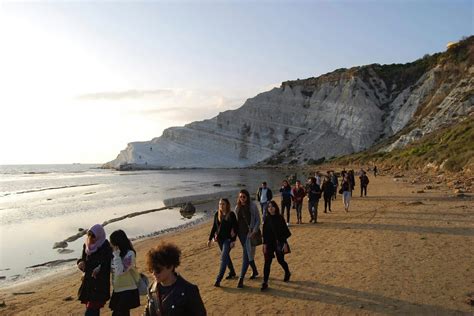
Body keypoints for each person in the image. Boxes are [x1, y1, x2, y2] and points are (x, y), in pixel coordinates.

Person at [143, 242, 206, 316]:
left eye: (158, 270)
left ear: (170, 267)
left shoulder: (188, 290)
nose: (154, 273)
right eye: (151, 270)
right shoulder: (152, 289)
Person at [77, 224, 112, 316]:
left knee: (91, 311)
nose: (91, 238)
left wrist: (99, 268)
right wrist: (80, 263)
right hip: (88, 283)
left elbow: (108, 263)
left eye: (93, 236)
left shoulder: (105, 247)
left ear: (99, 235)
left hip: (99, 285)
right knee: (93, 311)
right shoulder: (86, 246)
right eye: (89, 235)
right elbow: (82, 258)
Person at [261, 200, 291, 291]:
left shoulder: (280, 218)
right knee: (267, 262)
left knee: (281, 260)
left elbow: (285, 232)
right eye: (269, 207)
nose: (270, 208)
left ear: (276, 207)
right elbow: (264, 233)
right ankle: (265, 282)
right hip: (269, 244)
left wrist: (285, 244)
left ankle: (287, 272)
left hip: (279, 243)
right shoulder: (266, 218)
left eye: (272, 206)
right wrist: (264, 244)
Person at [207, 198, 238, 287]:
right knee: (226, 256)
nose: (221, 205)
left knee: (223, 258)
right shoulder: (217, 214)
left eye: (223, 204)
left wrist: (233, 240)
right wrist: (210, 239)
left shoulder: (231, 214)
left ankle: (218, 279)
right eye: (220, 204)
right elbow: (214, 227)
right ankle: (232, 272)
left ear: (227, 205)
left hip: (228, 240)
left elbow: (236, 228)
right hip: (219, 240)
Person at [109, 229, 140, 316]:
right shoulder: (114, 255)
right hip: (118, 289)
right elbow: (112, 269)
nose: (111, 245)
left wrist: (116, 255)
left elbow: (120, 271)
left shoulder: (130, 254)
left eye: (112, 242)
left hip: (128, 290)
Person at [235, 189, 261, 288]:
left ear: (247, 197)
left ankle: (241, 278)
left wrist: (253, 231)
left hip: (250, 234)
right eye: (240, 197)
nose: (242, 199)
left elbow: (258, 220)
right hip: (240, 234)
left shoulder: (253, 206)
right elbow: (236, 222)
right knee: (248, 253)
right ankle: (254, 271)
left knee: (246, 255)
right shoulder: (237, 207)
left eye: (244, 197)